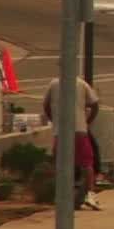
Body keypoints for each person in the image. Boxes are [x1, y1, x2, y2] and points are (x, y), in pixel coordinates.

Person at [43, 76, 101, 211]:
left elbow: (46, 105)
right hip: (79, 129)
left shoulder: (53, 84)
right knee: (87, 164)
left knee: (60, 164)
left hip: (60, 131)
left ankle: (62, 196)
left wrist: (54, 120)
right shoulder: (81, 83)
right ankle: (89, 195)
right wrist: (88, 121)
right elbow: (95, 104)